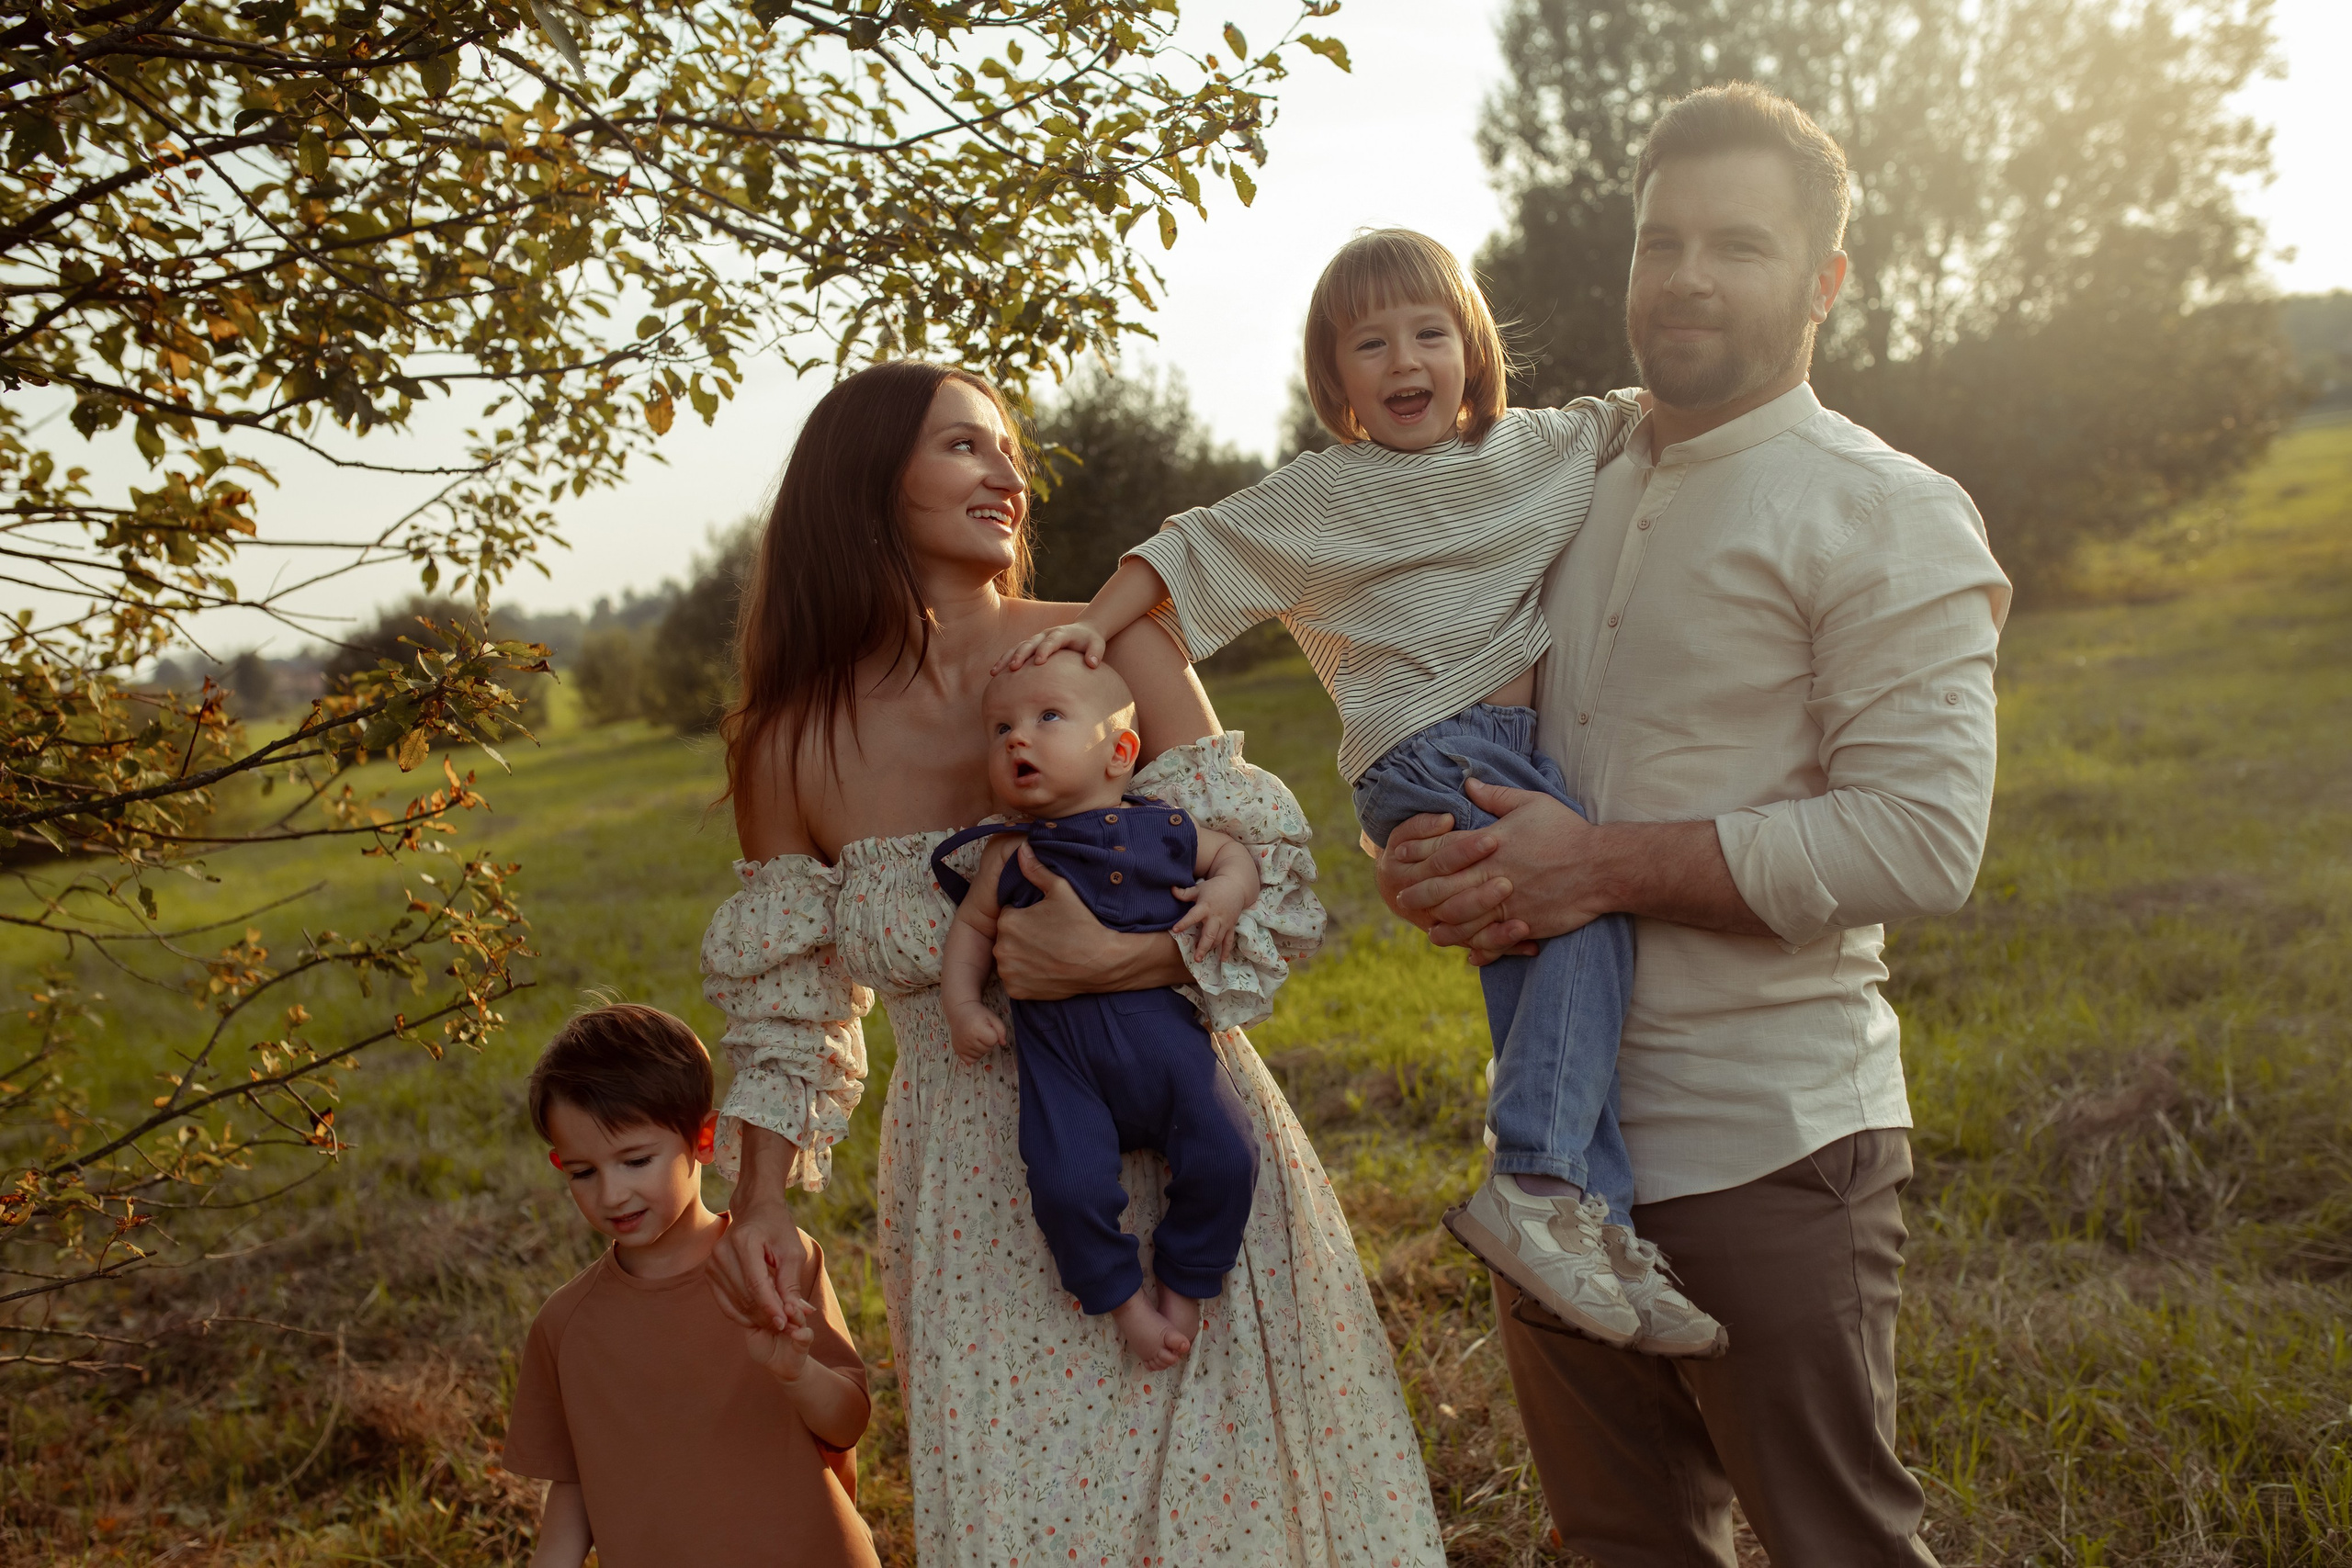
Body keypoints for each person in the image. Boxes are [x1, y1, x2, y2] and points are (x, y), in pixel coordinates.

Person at [1377, 84, 2009, 1566]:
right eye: (1663, 241)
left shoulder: (1889, 512)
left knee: (1833, 1541)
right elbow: (1483, 731)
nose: (1690, 277)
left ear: (1825, 280)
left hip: (1769, 1148)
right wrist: (1431, 858)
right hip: (1554, 1163)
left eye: (1739, 243)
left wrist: (1593, 864)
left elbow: (1924, 838)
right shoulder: (1561, 486)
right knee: (1617, 1546)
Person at [695, 359, 1444, 1563]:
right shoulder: (790, 740)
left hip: (1181, 1135)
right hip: (976, 1185)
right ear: (865, 478)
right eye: (963, 446)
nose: (1007, 475)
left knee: (1243, 1514)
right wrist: (763, 1198)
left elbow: (1257, 867)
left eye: (1009, 451)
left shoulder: (1110, 646)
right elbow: (789, 1011)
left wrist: (1118, 954)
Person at [1000, 229, 1723, 1358]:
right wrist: (1095, 620)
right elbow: (1197, 546)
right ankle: (1535, 1175)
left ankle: (1597, 1221)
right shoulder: (1330, 494)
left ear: (1471, 349)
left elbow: (1642, 412)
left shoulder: (1542, 448)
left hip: (1509, 753)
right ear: (1336, 381)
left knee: (1543, 969)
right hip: (1428, 748)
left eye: (1428, 332)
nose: (1403, 359)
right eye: (1368, 342)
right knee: (1585, 912)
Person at [933, 654, 1263, 1369]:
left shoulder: (1164, 829)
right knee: (1065, 1185)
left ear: (1119, 752)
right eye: (1001, 729)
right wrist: (962, 1004)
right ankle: (1124, 1303)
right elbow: (972, 932)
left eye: (1047, 717)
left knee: (1229, 1153)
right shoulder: (1010, 855)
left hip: (1167, 1047)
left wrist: (1225, 894)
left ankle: (1187, 1280)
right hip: (1064, 1065)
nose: (1018, 738)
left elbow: (1234, 854)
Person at [503, 1004, 876, 1568]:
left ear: (705, 1139)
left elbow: (848, 1424)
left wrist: (796, 1371)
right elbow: (574, 1487)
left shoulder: (772, 1262)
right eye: (583, 1172)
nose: (611, 1195)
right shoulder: (566, 1324)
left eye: (635, 1160)